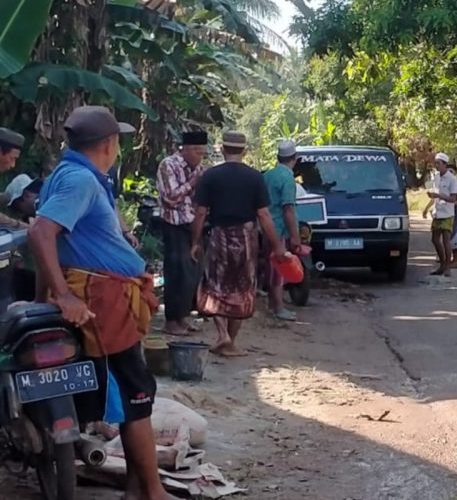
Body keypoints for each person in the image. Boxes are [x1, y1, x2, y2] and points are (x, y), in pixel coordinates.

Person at [28, 106, 175, 500]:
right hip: (102, 301)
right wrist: (60, 295)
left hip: (109, 297)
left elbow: (52, 239)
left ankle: (135, 488)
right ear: (109, 144)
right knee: (135, 393)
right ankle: (153, 492)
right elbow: (42, 233)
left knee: (130, 391)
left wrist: (43, 297)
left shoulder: (69, 175)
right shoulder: (81, 181)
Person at [191, 131, 287, 357]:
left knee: (214, 285)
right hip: (247, 237)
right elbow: (264, 215)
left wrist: (194, 241)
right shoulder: (255, 177)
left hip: (219, 237)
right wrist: (277, 246)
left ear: (223, 149)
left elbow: (201, 212)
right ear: (244, 151)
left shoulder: (211, 176)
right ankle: (231, 341)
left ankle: (222, 334)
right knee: (242, 287)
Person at [156, 131, 208, 336]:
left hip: (193, 225)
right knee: (177, 272)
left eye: (202, 153)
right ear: (184, 149)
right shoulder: (169, 165)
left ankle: (184, 316)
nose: (199, 157)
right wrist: (193, 181)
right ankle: (171, 320)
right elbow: (170, 197)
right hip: (174, 224)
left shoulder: (200, 168)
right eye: (196, 151)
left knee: (193, 273)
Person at [262, 140, 302, 322]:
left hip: (264, 228)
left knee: (270, 268)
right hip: (278, 230)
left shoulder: (268, 175)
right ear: (294, 159)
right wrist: (295, 236)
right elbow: (288, 210)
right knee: (279, 269)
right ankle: (278, 307)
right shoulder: (287, 179)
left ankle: (273, 304)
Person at [426, 153, 457, 276]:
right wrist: (428, 204)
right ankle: (442, 264)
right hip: (437, 212)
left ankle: (447, 267)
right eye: (435, 163)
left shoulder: (452, 179)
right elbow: (435, 193)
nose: (436, 166)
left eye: (438, 163)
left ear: (445, 164)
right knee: (435, 239)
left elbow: (453, 198)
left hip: (448, 213)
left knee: (446, 240)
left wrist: (439, 196)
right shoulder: (436, 177)